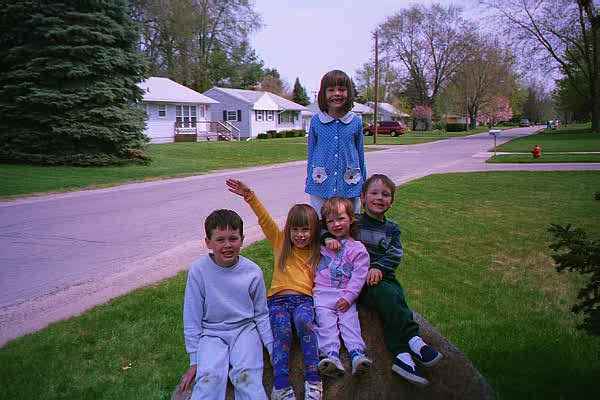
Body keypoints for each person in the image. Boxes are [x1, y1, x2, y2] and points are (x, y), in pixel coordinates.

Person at [326, 174, 443, 386]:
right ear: (362, 198)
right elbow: (327, 223)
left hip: (384, 277)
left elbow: (395, 254)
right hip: (360, 284)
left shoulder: (392, 229)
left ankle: (403, 358)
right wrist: (326, 237)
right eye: (374, 193)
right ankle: (412, 340)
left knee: (395, 297)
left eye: (386, 194)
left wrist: (379, 267)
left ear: (392, 200)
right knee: (389, 297)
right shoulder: (354, 222)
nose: (380, 198)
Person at [226, 179, 323, 400]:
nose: (300, 235)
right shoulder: (280, 242)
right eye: (295, 229)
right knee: (281, 333)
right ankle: (281, 386)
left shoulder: (318, 252)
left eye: (306, 230)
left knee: (304, 323)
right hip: (278, 302)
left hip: (304, 301)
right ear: (288, 230)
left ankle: (314, 380)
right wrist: (249, 195)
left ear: (314, 231)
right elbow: (265, 220)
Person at [179, 209, 274, 400]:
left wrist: (272, 349)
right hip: (211, 334)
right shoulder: (198, 271)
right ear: (208, 242)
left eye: (233, 238)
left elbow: (262, 314)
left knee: (247, 378)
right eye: (220, 239)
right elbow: (192, 317)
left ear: (242, 238)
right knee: (209, 380)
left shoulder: (253, 272)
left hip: (245, 330)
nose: (227, 245)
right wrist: (195, 360)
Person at [314, 197, 372, 377]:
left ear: (351, 219)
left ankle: (357, 354)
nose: (336, 224)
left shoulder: (358, 249)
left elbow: (359, 276)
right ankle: (331, 356)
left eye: (340, 218)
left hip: (344, 296)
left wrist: (349, 298)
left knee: (349, 323)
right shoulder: (322, 245)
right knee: (325, 325)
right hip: (322, 296)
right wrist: (325, 238)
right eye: (330, 221)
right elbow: (306, 230)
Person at [305, 69, 366, 216]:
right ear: (323, 94)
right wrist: (310, 180)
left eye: (342, 89)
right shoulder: (316, 122)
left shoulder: (355, 122)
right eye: (331, 90)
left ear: (348, 93)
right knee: (321, 224)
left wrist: (363, 184)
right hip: (321, 183)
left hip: (350, 184)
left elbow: (360, 154)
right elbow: (311, 153)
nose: (337, 93)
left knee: (351, 222)